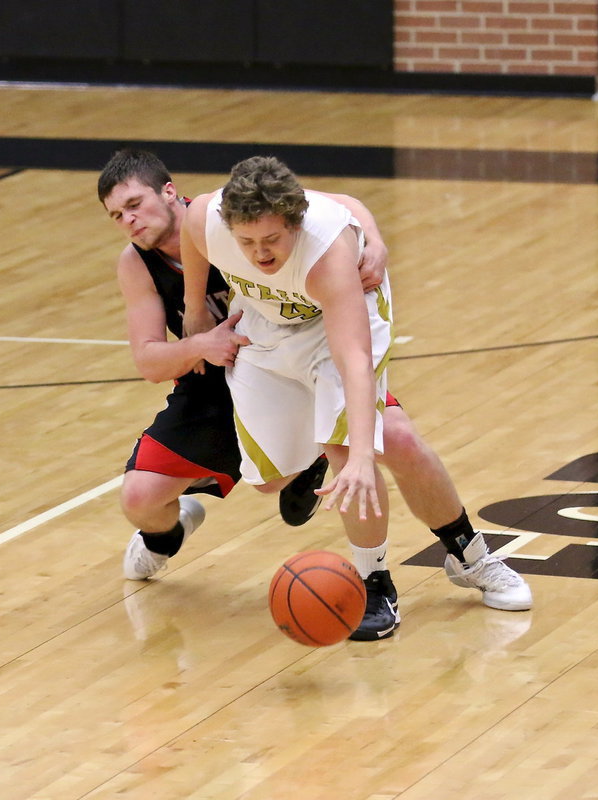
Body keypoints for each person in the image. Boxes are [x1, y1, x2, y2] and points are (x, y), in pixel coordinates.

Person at [98, 150, 531, 644]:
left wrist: (362, 456)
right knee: (266, 481)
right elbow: (195, 246)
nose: (260, 254)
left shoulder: (324, 253)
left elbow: (352, 357)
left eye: (271, 240)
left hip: (331, 332)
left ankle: (408, 574)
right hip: (260, 332)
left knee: (375, 448)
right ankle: (310, 462)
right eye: (248, 243)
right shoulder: (205, 220)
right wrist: (196, 316)